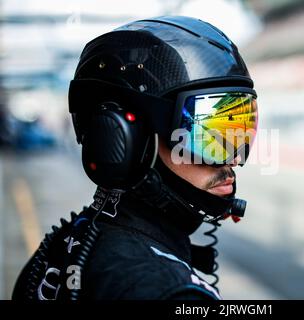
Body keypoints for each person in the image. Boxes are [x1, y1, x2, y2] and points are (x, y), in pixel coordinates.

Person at [12, 15, 258, 300]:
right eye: (208, 136)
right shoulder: (166, 291)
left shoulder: (64, 244)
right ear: (123, 139)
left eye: (239, 133)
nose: (232, 160)